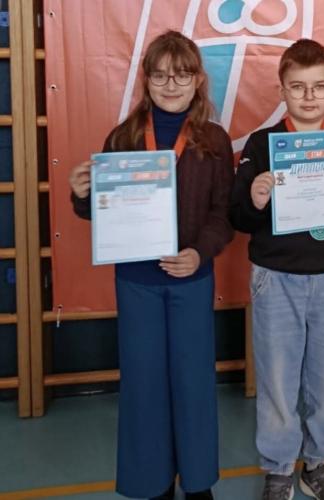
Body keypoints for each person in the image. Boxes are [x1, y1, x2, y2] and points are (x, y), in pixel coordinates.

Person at [67, 30, 234, 499]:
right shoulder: (122, 137)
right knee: (144, 386)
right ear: (146, 80)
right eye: (160, 76)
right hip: (136, 281)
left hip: (191, 278)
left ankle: (197, 485)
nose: (170, 85)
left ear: (198, 80)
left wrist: (199, 253)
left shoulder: (214, 140)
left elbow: (224, 214)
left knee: (193, 384)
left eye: (181, 75)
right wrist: (82, 196)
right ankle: (154, 483)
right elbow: (104, 211)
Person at [228, 39, 324, 500]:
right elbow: (238, 216)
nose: (309, 96)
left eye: (318, 86)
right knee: (276, 379)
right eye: (298, 87)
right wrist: (255, 200)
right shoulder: (262, 145)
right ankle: (278, 469)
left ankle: (317, 464)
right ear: (282, 90)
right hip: (276, 278)